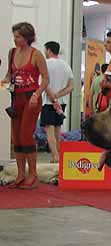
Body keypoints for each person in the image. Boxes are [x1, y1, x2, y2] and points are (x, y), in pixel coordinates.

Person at [1, 22, 49, 189]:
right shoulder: (12, 52)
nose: (15, 40)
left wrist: (37, 94)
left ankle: (33, 174)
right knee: (16, 136)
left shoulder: (36, 55)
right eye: (14, 36)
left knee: (26, 134)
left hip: (31, 98)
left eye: (18, 37)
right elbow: (9, 74)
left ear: (27, 37)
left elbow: (45, 78)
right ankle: (21, 174)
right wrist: (4, 82)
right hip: (16, 98)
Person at [40, 41, 74, 163]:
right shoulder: (66, 65)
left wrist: (53, 98)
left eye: (45, 50)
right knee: (58, 130)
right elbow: (71, 86)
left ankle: (55, 157)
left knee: (49, 130)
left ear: (48, 50)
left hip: (48, 102)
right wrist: (58, 96)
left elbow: (44, 84)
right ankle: (59, 156)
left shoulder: (45, 64)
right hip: (61, 102)